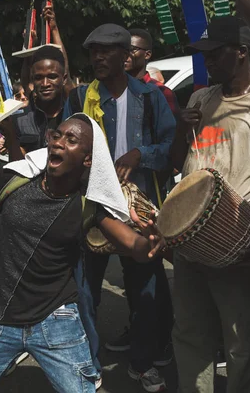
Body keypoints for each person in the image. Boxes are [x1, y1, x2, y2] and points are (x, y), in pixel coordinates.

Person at [0, 111, 165, 392]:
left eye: (71, 139)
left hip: (56, 319)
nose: (59, 143)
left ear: (88, 159)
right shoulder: (14, 178)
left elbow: (133, 246)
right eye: (57, 135)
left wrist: (148, 243)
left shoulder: (88, 203)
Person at [169, 16, 250, 392]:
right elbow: (178, 162)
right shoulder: (200, 99)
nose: (207, 63)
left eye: (215, 54)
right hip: (190, 238)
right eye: (204, 55)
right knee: (190, 331)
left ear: (242, 52)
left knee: (243, 339)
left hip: (239, 236)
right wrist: (180, 128)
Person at [63, 24, 176, 392]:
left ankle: (142, 364)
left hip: (137, 211)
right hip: (91, 209)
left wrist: (140, 153)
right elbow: (63, 146)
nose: (97, 58)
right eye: (93, 51)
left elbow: (171, 149)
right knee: (85, 292)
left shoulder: (150, 97)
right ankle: (87, 366)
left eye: (106, 51)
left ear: (125, 55)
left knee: (145, 293)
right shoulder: (81, 97)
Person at [14, 46, 68, 154]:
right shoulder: (20, 120)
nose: (45, 84)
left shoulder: (75, 115)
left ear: (64, 79)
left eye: (52, 77)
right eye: (38, 78)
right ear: (32, 80)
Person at [126, 28, 179, 115]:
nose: (126, 54)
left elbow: (171, 127)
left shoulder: (162, 92)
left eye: (132, 49)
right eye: (123, 50)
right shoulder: (114, 89)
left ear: (147, 54)